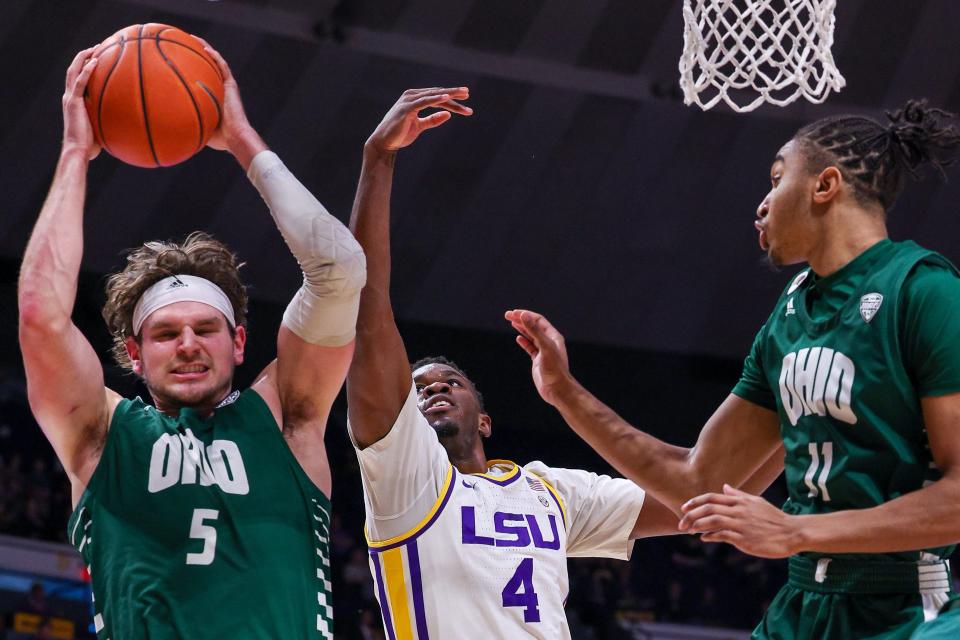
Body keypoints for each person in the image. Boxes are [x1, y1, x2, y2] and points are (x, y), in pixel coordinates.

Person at [503, 100, 960, 639]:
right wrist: (564, 393)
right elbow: (697, 481)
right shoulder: (787, 319)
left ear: (825, 184)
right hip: (804, 603)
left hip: (909, 606)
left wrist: (795, 529)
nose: (762, 204)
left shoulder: (926, 291)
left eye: (776, 178)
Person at [17, 43, 365, 639]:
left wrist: (242, 141)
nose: (187, 344)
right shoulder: (101, 436)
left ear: (238, 343)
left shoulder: (287, 417)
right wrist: (77, 153)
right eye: (165, 333)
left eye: (205, 329)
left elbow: (340, 270)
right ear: (132, 353)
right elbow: (40, 316)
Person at [344, 88, 681, 639]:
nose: (432, 389)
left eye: (450, 381)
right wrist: (378, 160)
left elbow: (696, 495)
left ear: (485, 420)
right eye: (418, 387)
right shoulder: (404, 478)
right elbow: (368, 312)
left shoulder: (549, 492)